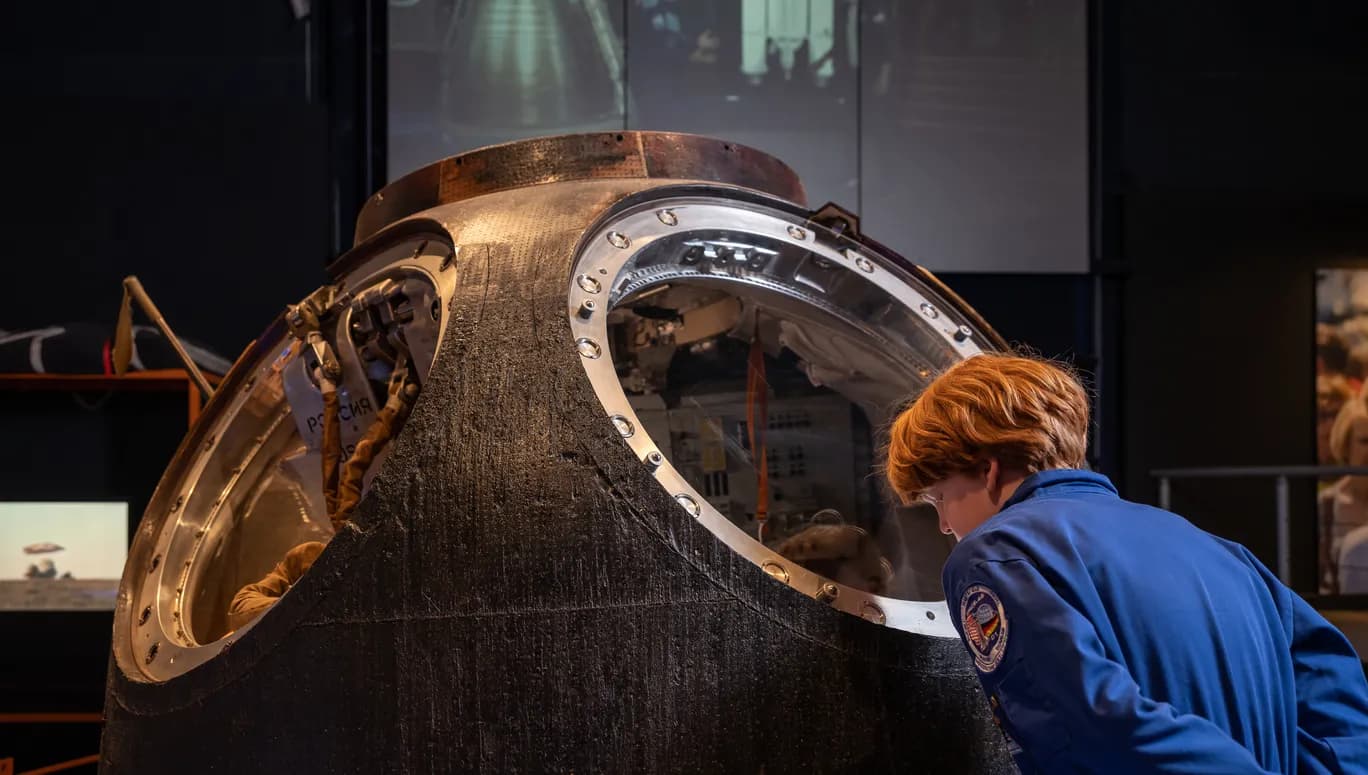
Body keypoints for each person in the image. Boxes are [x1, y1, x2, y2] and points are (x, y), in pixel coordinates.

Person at [885, 353, 1368, 774]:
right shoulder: (1217, 548)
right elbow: (1336, 693)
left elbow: (1089, 724)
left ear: (988, 472)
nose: (945, 525)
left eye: (939, 498)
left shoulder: (993, 554)